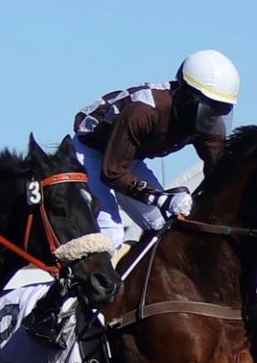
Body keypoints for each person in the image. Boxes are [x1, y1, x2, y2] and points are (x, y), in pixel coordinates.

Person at [70, 49, 240, 252]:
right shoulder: (143, 111)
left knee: (168, 225)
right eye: (210, 109)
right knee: (111, 234)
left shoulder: (209, 124)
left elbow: (218, 176)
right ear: (187, 98)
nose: (213, 119)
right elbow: (112, 172)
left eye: (221, 111)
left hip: (126, 157)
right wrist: (163, 198)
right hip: (90, 151)